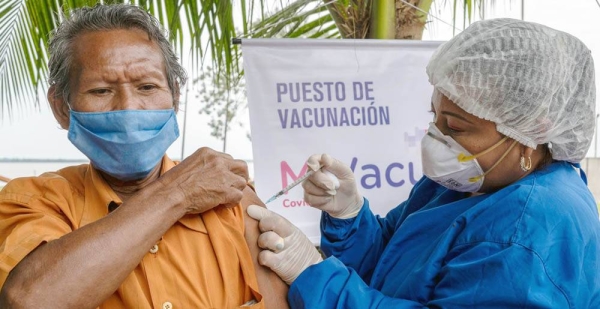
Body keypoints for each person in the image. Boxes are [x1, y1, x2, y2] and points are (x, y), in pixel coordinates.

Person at [247, 18, 600, 308]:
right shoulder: (466, 183)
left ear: (533, 130)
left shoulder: (525, 231)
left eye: (457, 127)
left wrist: (315, 276)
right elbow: (391, 257)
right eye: (435, 117)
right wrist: (350, 217)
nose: (436, 138)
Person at [0, 4, 288, 309]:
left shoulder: (232, 202)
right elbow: (28, 301)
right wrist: (177, 192)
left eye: (147, 87)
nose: (129, 108)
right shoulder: (34, 203)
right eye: (101, 91)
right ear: (61, 107)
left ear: (175, 97)